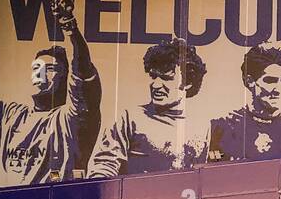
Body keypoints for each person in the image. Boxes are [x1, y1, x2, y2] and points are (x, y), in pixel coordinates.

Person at [0, 0, 101, 183]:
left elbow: (82, 72)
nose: (39, 73)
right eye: (36, 67)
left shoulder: (72, 118)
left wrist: (69, 26)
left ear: (65, 76)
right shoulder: (12, 117)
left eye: (49, 68)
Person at [88, 38, 209, 175]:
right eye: (153, 76)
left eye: (166, 78)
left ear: (188, 83)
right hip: (138, 196)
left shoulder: (202, 125)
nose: (156, 85)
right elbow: (103, 167)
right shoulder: (129, 117)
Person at [208, 41, 281, 160]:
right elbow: (212, 173)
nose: (278, 89)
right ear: (249, 81)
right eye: (270, 80)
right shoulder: (222, 127)